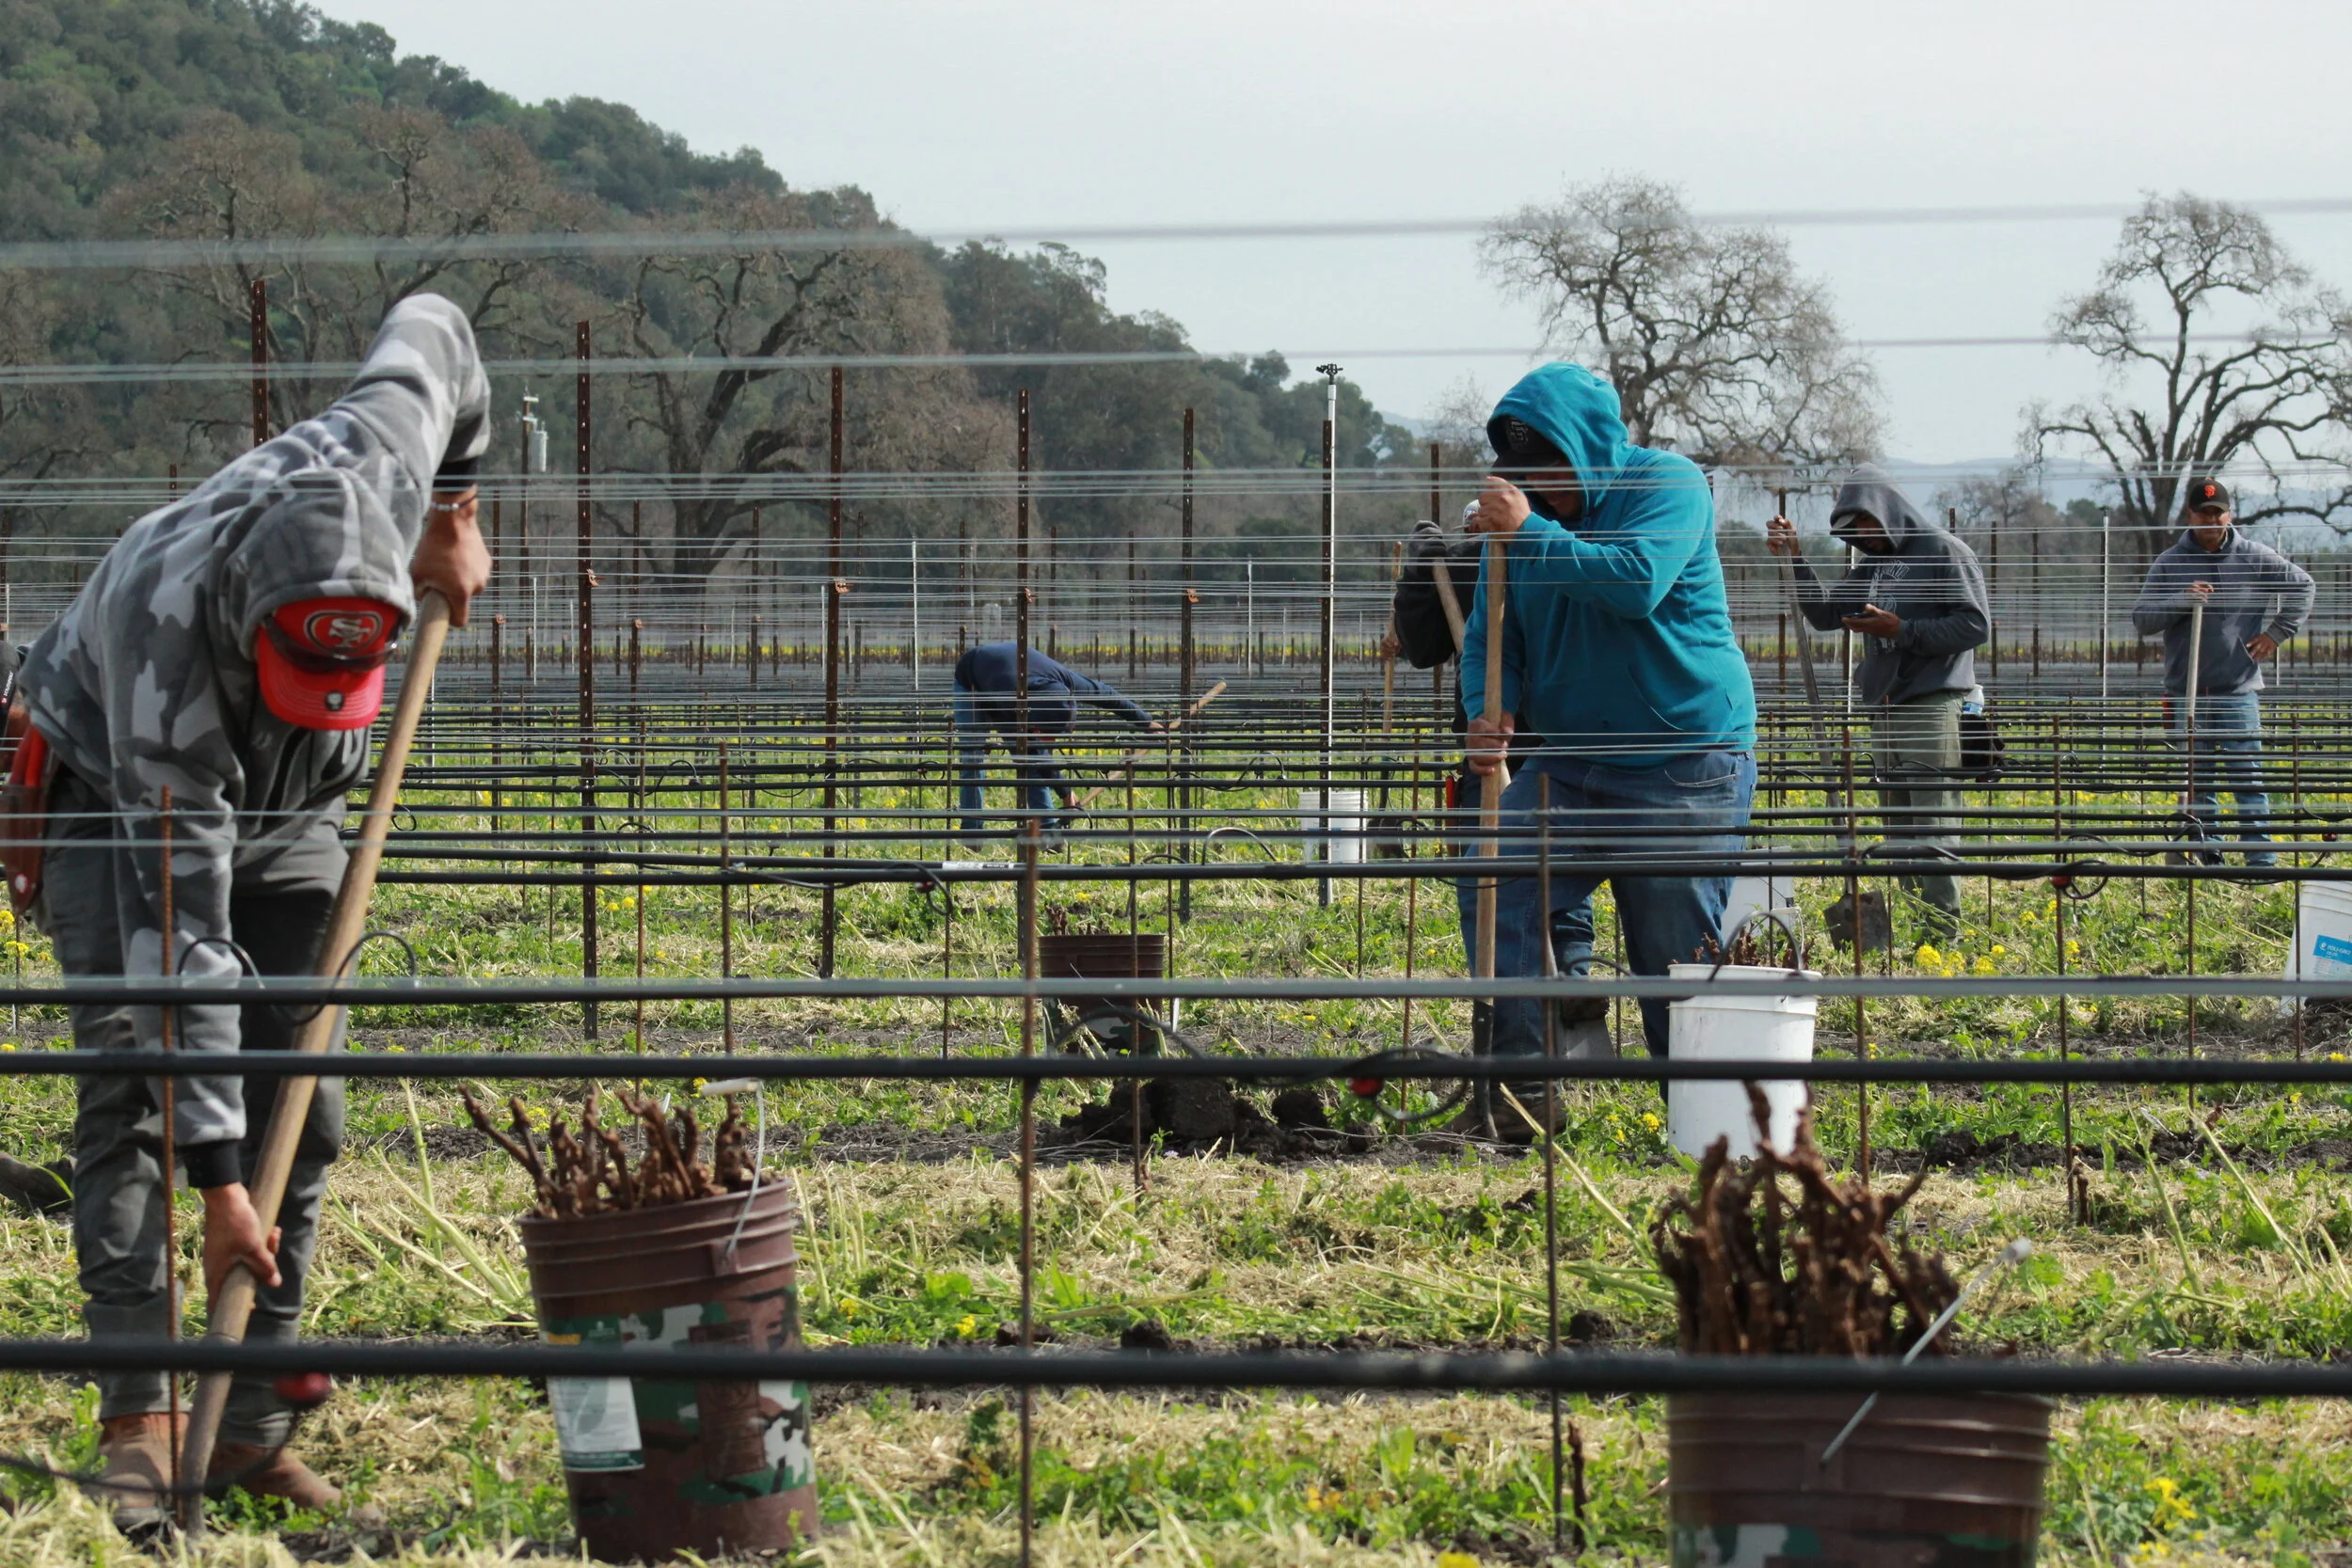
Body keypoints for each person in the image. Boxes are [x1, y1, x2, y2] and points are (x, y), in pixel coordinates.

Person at [14, 293, 491, 1529]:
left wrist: (451, 518)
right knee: (133, 1081)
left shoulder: (388, 450)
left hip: (291, 804)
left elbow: (438, 324)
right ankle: (140, 1420)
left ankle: (242, 1425)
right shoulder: (170, 676)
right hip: (106, 780)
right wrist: (220, 1180)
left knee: (309, 1090)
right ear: (249, 628)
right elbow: (188, 948)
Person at [1461, 363, 1757, 1108]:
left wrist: (1528, 531)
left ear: (1591, 448)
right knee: (1495, 882)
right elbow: (1488, 638)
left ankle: (1699, 1119)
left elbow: (1633, 582)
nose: (1539, 487)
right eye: (1524, 476)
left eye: (1550, 468)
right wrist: (1484, 710)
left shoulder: (1667, 485)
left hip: (1683, 761)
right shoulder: (1520, 532)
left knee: (1670, 953)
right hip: (1571, 765)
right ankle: (1524, 1091)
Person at [1389, 515, 1594, 1089]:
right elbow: (1430, 642)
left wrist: (1423, 565)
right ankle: (1573, 977)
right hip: (1548, 734)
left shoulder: (1492, 553)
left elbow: (1420, 647)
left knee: (1489, 876)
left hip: (1499, 736)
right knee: (1560, 867)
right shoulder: (1543, 548)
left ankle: (1514, 1019)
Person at [1766, 466, 1990, 942]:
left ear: (1887, 512)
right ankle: (1915, 936)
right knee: (1899, 831)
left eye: (1865, 524)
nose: (1861, 536)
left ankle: (1942, 939)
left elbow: (1975, 626)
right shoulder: (1873, 565)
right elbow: (1828, 614)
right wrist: (1797, 559)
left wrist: (1902, 631)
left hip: (1933, 705)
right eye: (1851, 528)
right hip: (1885, 709)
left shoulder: (1945, 552)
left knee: (1934, 824)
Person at [2130, 478, 2314, 868]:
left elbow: (2303, 586)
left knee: (2248, 778)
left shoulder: (2253, 556)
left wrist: (2276, 634)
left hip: (2237, 689)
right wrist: (2182, 599)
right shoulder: (2170, 563)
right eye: (2204, 513)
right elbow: (2142, 619)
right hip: (2187, 691)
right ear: (2190, 515)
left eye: (2219, 512)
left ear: (2229, 515)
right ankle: (2207, 851)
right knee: (2199, 779)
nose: (2211, 520)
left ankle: (2260, 860)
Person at [951, 641, 1162, 845]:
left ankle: (1048, 833)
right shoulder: (1012, 703)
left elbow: (1106, 695)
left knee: (1032, 762)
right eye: (1047, 734)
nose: (1051, 741)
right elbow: (1034, 754)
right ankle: (973, 832)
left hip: (1007, 674)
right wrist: (1066, 793)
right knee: (973, 757)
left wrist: (1145, 721)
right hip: (972, 678)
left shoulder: (1066, 682)